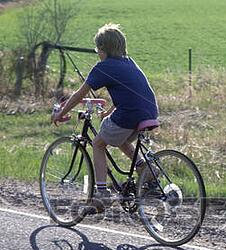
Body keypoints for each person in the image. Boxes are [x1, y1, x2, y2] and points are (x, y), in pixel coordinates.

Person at [51, 23, 159, 211]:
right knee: (119, 136)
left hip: (130, 114)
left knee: (98, 143)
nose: (97, 53)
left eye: (97, 49)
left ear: (102, 49)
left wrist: (61, 113)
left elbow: (78, 95)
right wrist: (110, 112)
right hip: (149, 111)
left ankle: (101, 195)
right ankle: (145, 168)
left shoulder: (103, 67)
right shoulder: (129, 62)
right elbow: (131, 92)